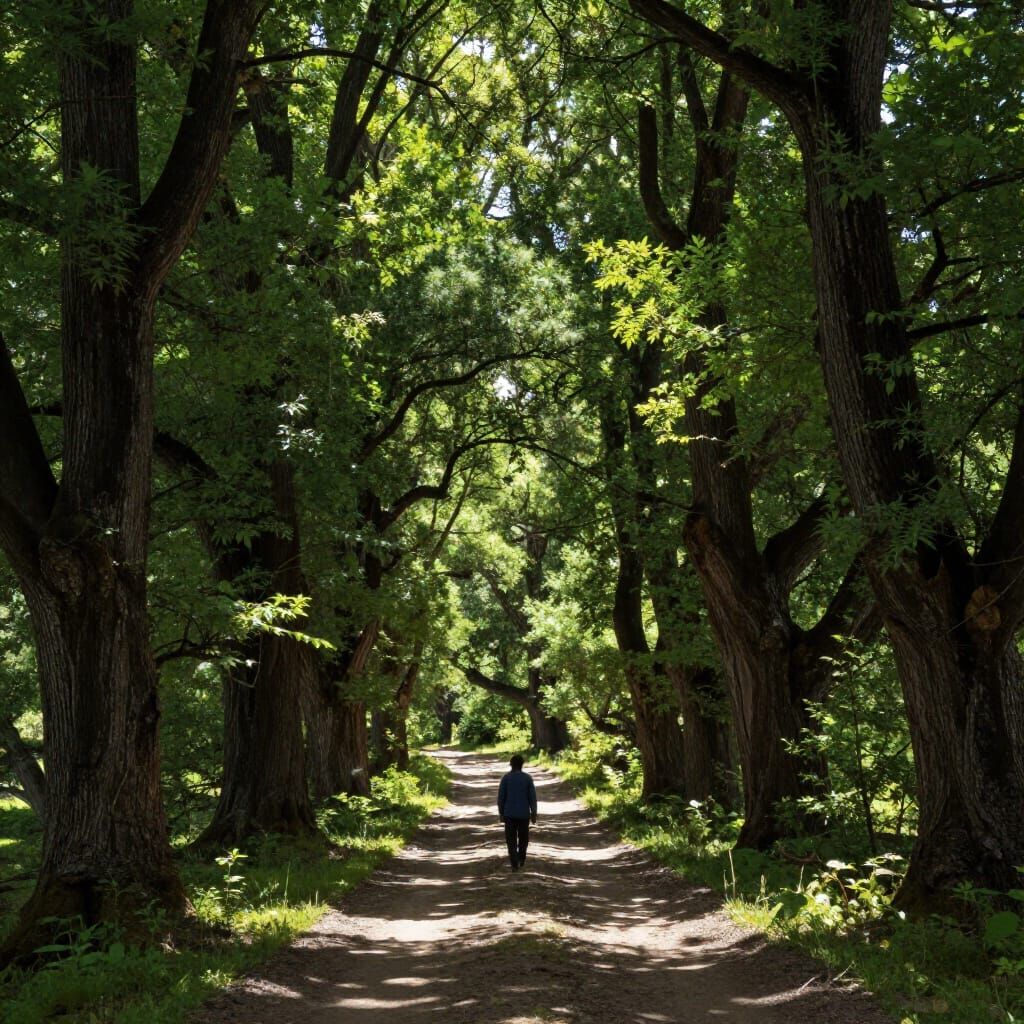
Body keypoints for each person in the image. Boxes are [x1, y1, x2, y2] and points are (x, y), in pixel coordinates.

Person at [497, 754, 537, 872]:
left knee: (511, 839)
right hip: (524, 815)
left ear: (511, 765)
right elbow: (532, 798)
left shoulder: (506, 778)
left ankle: (514, 862)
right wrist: (534, 813)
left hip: (509, 814)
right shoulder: (527, 778)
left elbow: (501, 798)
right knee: (523, 838)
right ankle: (521, 858)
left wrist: (501, 813)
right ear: (522, 765)